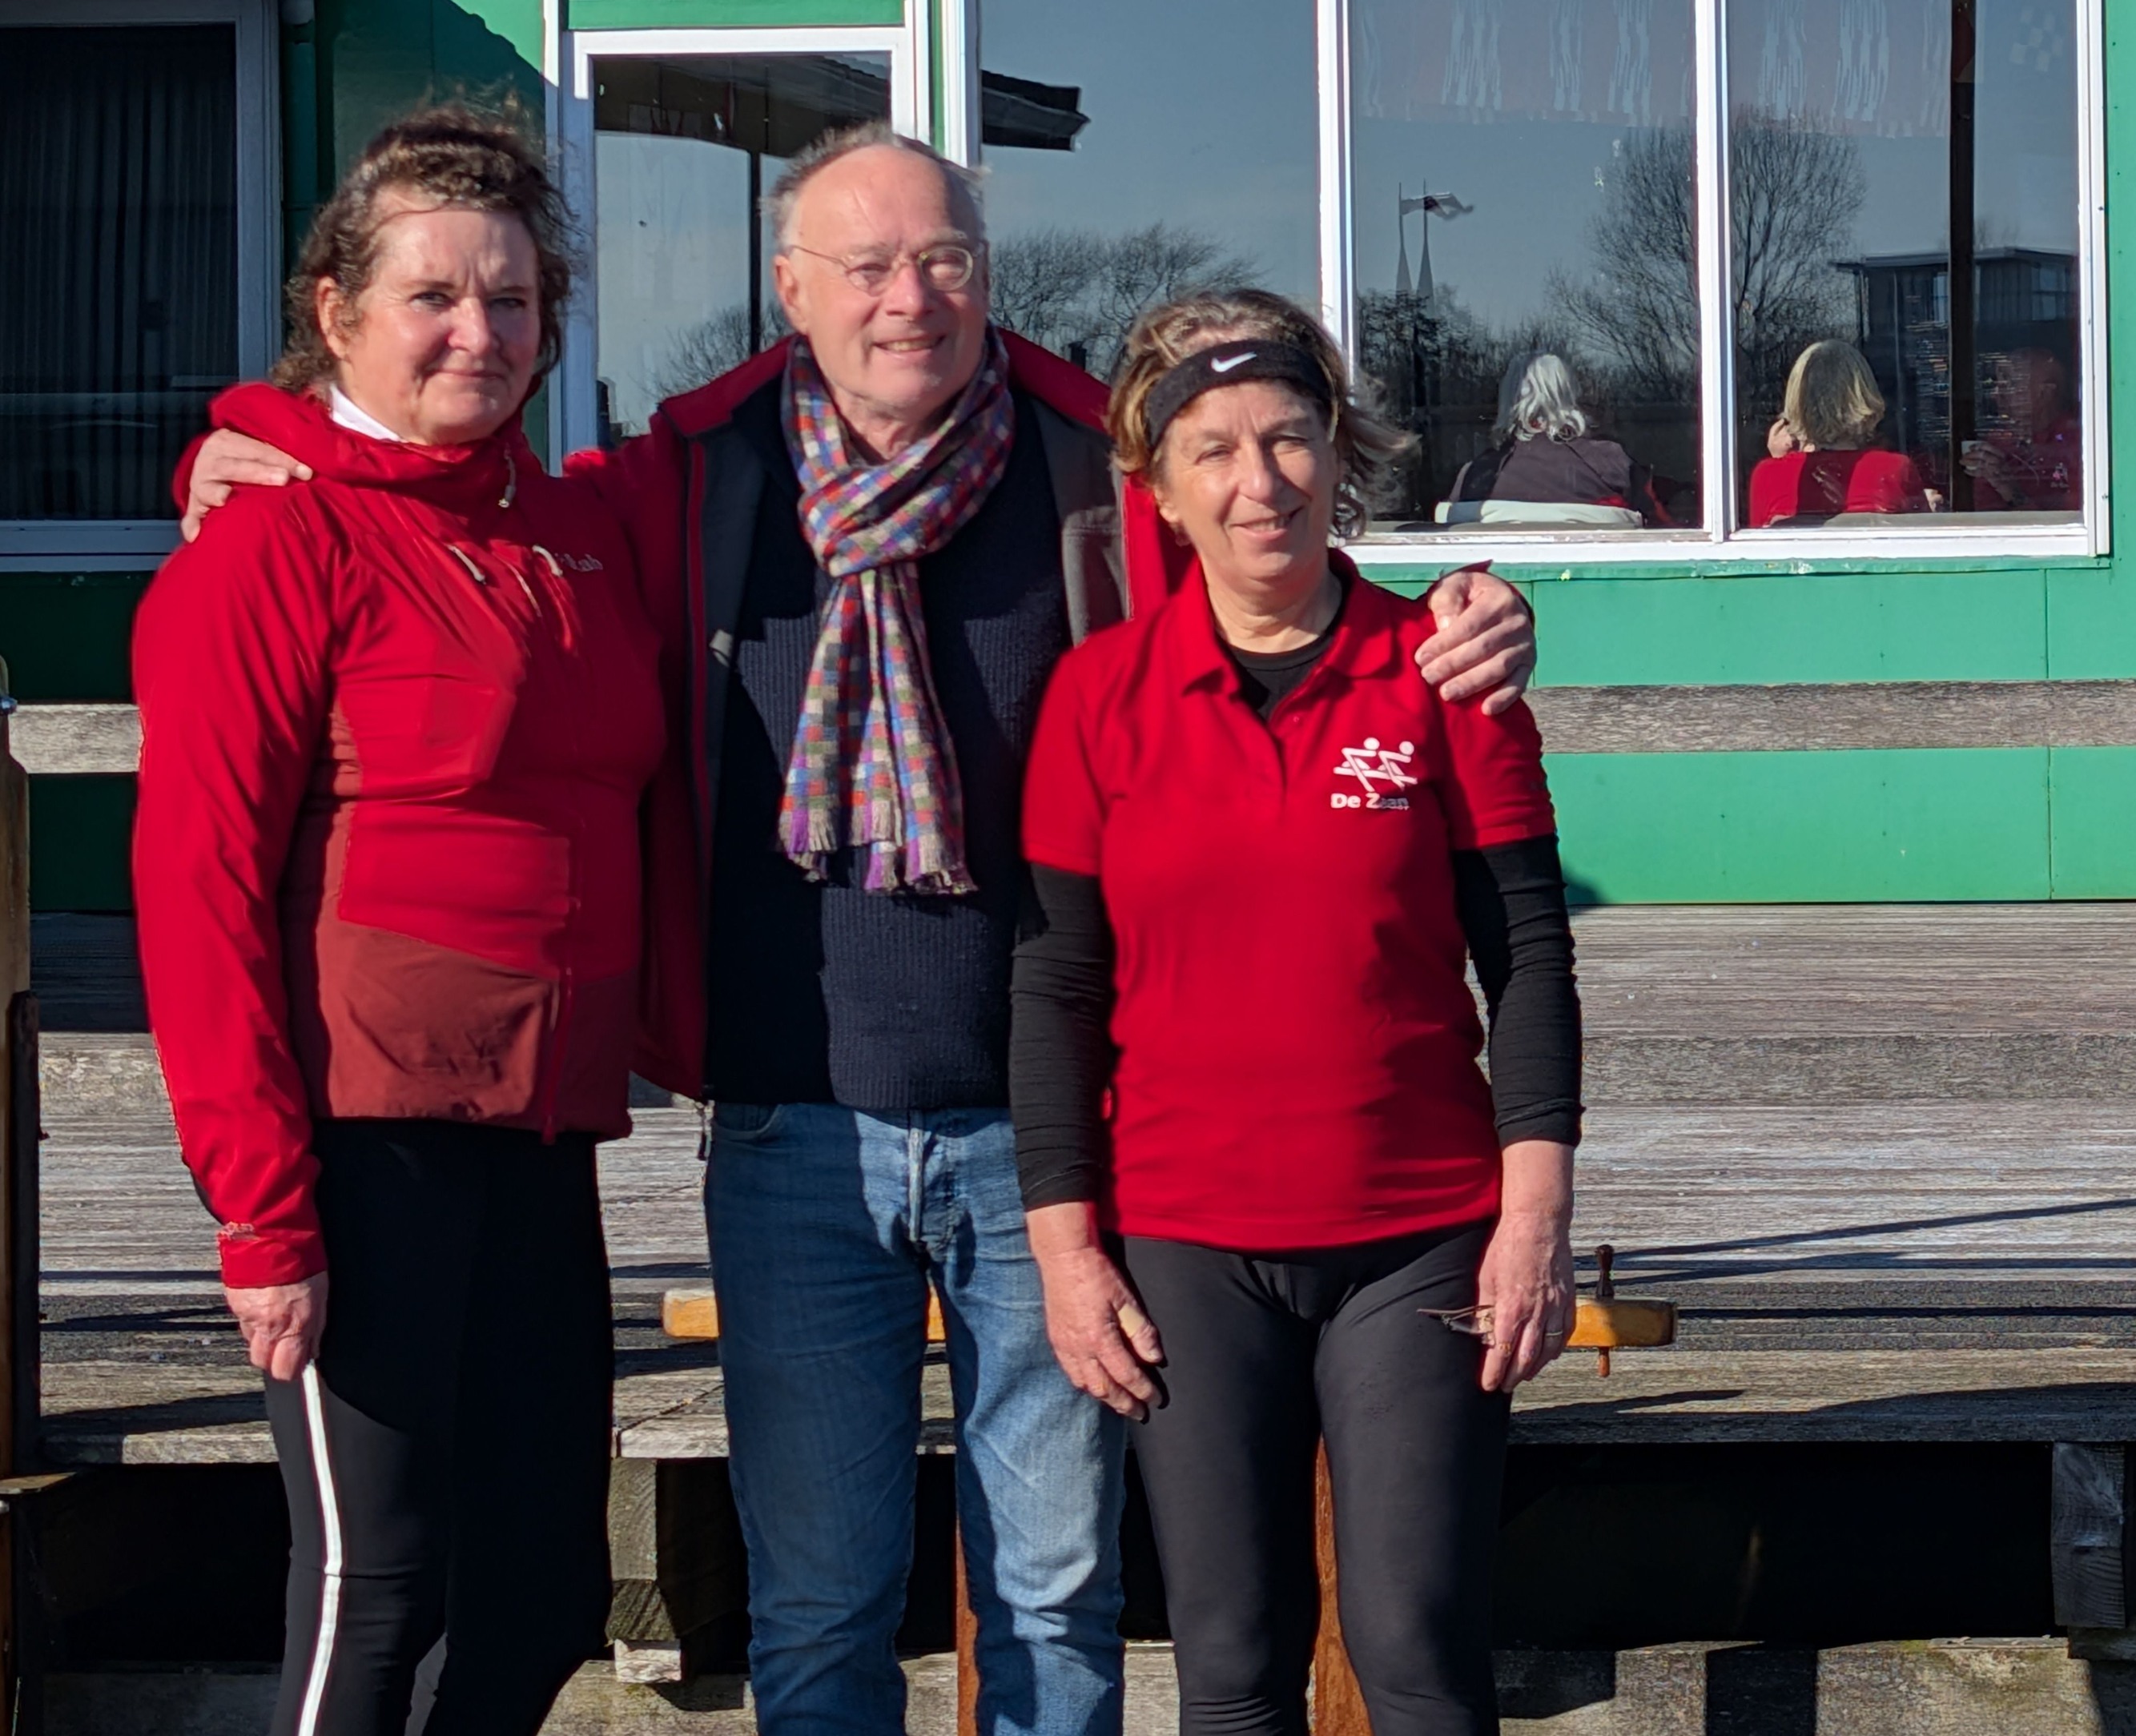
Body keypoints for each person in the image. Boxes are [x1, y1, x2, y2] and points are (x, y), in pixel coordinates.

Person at [182, 125, 1538, 1736]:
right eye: (871, 267)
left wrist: (1467, 612)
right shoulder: (687, 482)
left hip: (1050, 1139)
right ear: (792, 293)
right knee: (814, 1606)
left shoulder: (1082, 470)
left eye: (948, 261)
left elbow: (1273, 568)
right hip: (789, 1123)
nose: (914, 301)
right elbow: (425, 492)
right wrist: (245, 443)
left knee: (1053, 1592)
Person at [132, 115, 667, 1736]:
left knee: (544, 1590)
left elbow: (805, 435)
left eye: (512, 303)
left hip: (544, 1135)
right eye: (433, 296)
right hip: (361, 1144)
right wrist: (262, 1215)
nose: (478, 334)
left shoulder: (574, 533)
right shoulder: (271, 544)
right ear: (335, 310)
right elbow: (198, 892)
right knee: (380, 1591)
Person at [1012, 289, 1581, 1736]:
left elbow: (1526, 955)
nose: (1258, 483)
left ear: (1340, 455)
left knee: (1418, 1653)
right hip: (1187, 1243)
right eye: (1213, 450)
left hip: (1418, 1232)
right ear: (1158, 487)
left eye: (1288, 440)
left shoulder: (1446, 673)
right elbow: (1058, 988)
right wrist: (1069, 1252)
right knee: (1233, 1662)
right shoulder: (1098, 698)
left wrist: (1536, 1214)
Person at [1746, 339, 1929, 525]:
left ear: (1797, 401)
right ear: (1863, 394)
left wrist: (1781, 465)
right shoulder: (1895, 470)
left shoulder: (1767, 475)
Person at [1446, 352, 1647, 516]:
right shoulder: (1612, 464)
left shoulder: (1475, 477)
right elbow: (1662, 527)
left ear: (1506, 402)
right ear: (1572, 395)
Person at [1964, 346, 2082, 512]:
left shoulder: (2080, 445)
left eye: (2011, 384)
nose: (1996, 394)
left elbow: (2071, 528)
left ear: (2044, 393)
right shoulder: (1999, 444)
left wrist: (2011, 490)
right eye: (1998, 384)